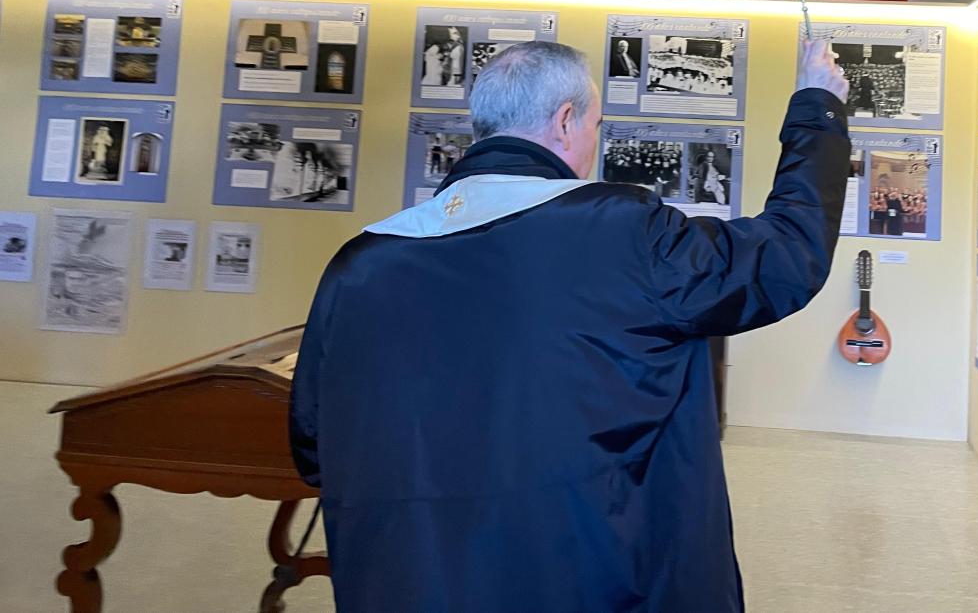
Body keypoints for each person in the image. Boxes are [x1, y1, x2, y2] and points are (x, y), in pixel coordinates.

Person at [290, 38, 849, 613]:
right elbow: (782, 258)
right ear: (564, 121)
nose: (592, 143)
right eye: (595, 125)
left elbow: (313, 450)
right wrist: (818, 109)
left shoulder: (358, 264)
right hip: (587, 577)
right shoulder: (623, 233)